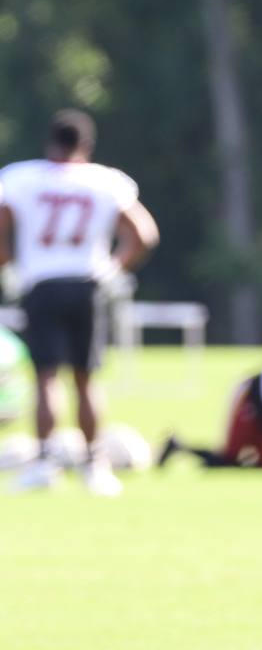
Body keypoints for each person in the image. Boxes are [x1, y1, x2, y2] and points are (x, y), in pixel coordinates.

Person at [0, 109, 159, 495]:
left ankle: (43, 463)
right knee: (86, 379)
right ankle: (93, 465)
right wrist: (111, 270)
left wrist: (10, 269)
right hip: (87, 283)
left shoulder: (21, 177)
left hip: (40, 282)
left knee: (46, 377)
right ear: (85, 145)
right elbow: (143, 233)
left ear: (50, 141)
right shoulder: (104, 181)